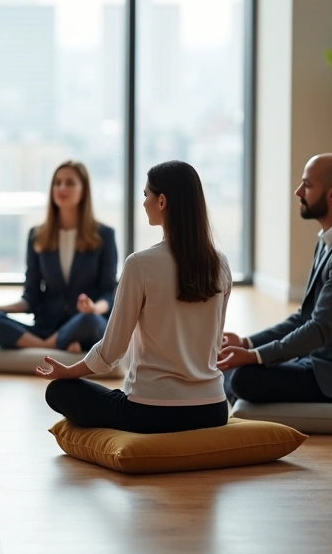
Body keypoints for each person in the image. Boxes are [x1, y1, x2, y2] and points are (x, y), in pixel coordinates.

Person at [37, 161, 231, 433]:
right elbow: (214, 344)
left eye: (145, 195)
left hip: (151, 412)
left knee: (59, 391)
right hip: (213, 409)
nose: (143, 203)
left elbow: (112, 350)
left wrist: (70, 371)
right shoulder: (220, 264)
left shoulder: (140, 264)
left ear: (161, 201)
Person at [219, 153, 332, 404]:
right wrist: (247, 343)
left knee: (242, 377)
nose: (298, 191)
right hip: (322, 360)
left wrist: (253, 356)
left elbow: (318, 329)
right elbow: (305, 316)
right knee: (233, 368)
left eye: (307, 185)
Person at [0, 161, 117, 353]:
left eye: (70, 183)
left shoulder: (104, 235)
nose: (61, 188)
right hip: (46, 327)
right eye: (57, 183)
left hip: (85, 322)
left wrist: (94, 309)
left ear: (84, 192)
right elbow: (31, 295)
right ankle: (53, 345)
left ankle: (53, 343)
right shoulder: (37, 235)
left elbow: (109, 293)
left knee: (90, 321)